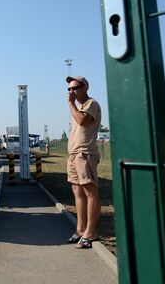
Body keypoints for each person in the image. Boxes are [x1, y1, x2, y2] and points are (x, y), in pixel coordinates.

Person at [65, 75, 102, 249]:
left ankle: (90, 233)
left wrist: (71, 104)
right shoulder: (78, 107)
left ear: (85, 87)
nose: (72, 91)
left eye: (75, 87)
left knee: (90, 191)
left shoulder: (91, 104)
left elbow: (82, 121)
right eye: (69, 89)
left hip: (85, 154)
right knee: (77, 191)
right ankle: (80, 230)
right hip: (74, 154)